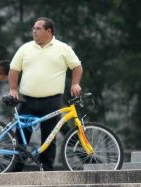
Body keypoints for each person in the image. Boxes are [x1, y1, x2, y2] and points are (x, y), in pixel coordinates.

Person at [9, 17, 83, 171]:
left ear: (48, 31)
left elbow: (77, 67)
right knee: (21, 136)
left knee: (50, 136)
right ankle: (15, 170)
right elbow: (14, 70)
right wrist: (13, 89)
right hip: (27, 100)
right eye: (33, 28)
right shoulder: (25, 48)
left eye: (37, 28)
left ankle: (47, 170)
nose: (33, 31)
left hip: (51, 101)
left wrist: (75, 83)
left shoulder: (63, 48)